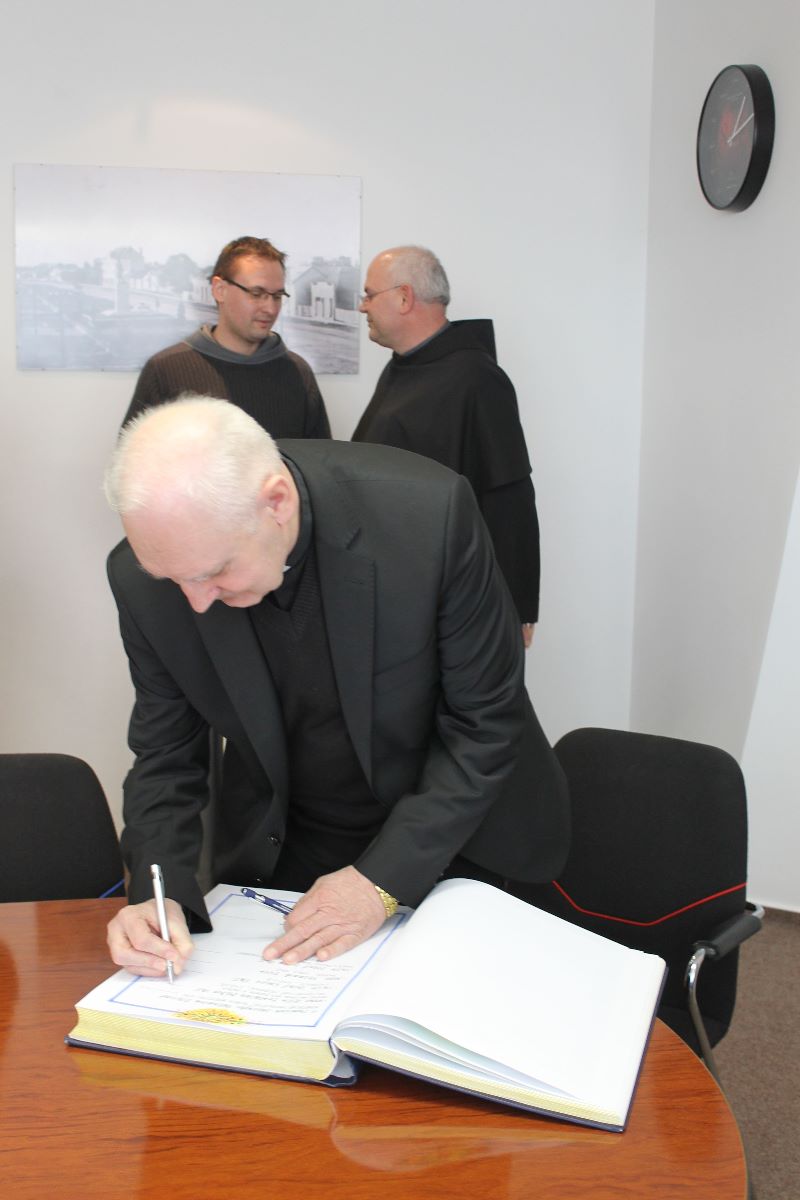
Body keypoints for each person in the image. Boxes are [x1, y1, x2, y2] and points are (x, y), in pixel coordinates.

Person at [103, 397, 569, 978]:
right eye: (174, 579)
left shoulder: (428, 516)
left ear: (277, 502)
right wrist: (159, 892)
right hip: (291, 846)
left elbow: (485, 725)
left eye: (215, 572)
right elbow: (166, 754)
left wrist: (380, 881)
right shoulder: (146, 578)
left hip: (459, 840)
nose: (196, 602)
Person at [353, 245, 539, 647]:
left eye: (369, 294)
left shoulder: (477, 379)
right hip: (396, 586)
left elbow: (509, 495)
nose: (362, 306)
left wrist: (516, 605)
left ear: (404, 297)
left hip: (450, 597)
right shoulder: (404, 365)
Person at [121, 236, 331, 439]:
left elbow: (320, 459)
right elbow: (133, 458)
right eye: (256, 294)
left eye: (277, 296)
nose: (270, 308)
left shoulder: (298, 373)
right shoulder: (165, 370)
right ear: (219, 290)